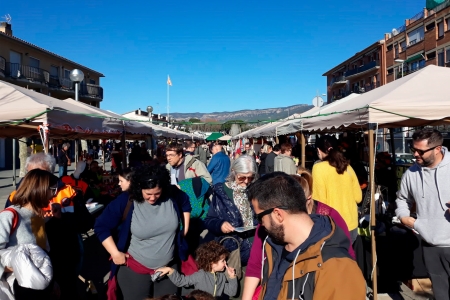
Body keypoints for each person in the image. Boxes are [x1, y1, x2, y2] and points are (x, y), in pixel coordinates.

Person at [247, 172, 365, 300]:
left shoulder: (338, 268)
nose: (261, 224)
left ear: (278, 215)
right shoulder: (273, 247)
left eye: (259, 217)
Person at [94, 165, 191, 300]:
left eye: (157, 193)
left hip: (168, 269)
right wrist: (115, 253)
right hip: (134, 270)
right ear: (139, 188)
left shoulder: (172, 194)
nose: (152, 198)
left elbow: (186, 202)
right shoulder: (126, 200)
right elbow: (101, 226)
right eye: (148, 194)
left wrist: (184, 231)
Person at [395, 129, 450, 300]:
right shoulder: (411, 173)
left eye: (420, 151)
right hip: (430, 244)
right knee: (441, 294)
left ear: (437, 149)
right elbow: (402, 198)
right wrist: (404, 216)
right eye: (414, 150)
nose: (415, 155)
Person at [0, 169, 58, 299]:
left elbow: (44, 252)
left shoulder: (38, 216)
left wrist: (52, 282)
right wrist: (20, 267)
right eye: (53, 189)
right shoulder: (9, 216)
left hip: (41, 284)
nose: (54, 194)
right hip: (20, 288)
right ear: (40, 189)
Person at [204, 155, 258, 265]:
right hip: (233, 250)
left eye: (251, 177)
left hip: (256, 247)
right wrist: (220, 225)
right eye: (242, 177)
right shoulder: (221, 192)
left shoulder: (256, 189)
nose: (246, 182)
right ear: (233, 172)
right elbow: (209, 220)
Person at [312, 135, 362, 244]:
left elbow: (319, 202)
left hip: (333, 226)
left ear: (319, 150)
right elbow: (358, 198)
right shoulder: (348, 167)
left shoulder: (318, 168)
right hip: (352, 224)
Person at [156, 241, 237, 298]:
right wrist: (171, 271)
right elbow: (181, 281)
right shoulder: (201, 275)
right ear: (212, 263)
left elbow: (231, 292)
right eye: (223, 260)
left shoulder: (221, 276)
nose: (225, 263)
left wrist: (232, 277)